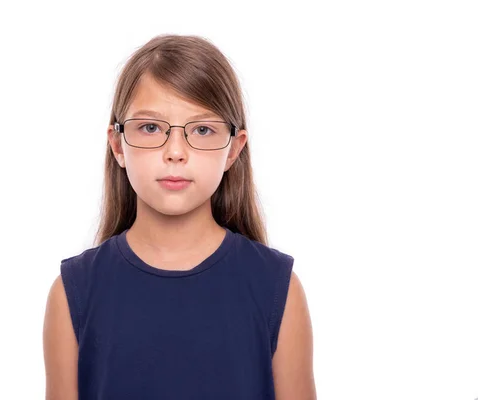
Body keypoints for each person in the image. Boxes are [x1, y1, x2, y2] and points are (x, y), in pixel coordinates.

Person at [43, 34, 316, 400]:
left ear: (234, 148)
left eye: (202, 130)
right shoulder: (72, 292)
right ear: (118, 145)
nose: (175, 152)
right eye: (151, 127)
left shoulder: (278, 289)